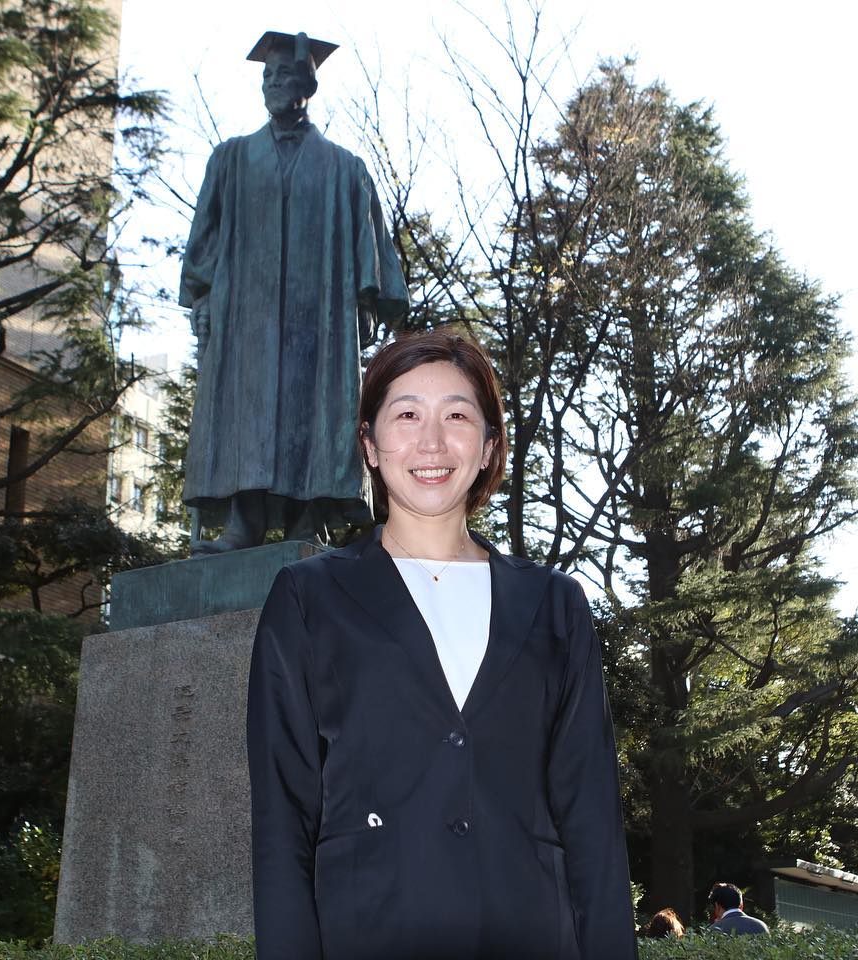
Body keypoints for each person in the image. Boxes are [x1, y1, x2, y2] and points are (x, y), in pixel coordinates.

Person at [246, 331, 638, 960]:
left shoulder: (554, 605)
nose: (431, 442)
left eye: (457, 416)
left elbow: (591, 818)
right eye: (407, 415)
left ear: (488, 447)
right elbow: (282, 818)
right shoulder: (307, 599)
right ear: (371, 445)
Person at [179, 30, 408, 552]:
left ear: (308, 85)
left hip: (316, 317)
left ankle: (310, 521)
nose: (274, 84)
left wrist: (368, 301)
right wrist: (202, 297)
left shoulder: (345, 169)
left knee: (313, 407)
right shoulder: (231, 160)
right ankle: (244, 522)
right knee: (245, 410)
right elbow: (204, 242)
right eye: (268, 76)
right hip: (246, 315)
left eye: (285, 76)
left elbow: (369, 246)